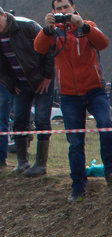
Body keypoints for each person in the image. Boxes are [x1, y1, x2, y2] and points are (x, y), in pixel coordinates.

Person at [35, 0, 112, 200]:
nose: (63, 12)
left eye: (66, 7)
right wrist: (46, 29)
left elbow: (103, 42)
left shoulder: (87, 25)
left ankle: (111, 170)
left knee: (106, 124)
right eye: (59, 9)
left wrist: (81, 25)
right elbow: (39, 48)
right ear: (53, 12)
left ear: (73, 8)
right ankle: (78, 185)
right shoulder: (53, 32)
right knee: (75, 141)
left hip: (95, 90)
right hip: (68, 94)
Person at [0, 5, 55, 177]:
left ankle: (41, 163)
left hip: (41, 81)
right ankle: (22, 161)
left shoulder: (27, 26)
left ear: (3, 15)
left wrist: (47, 76)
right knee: (19, 121)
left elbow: (49, 49)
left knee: (41, 119)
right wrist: (10, 83)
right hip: (20, 84)